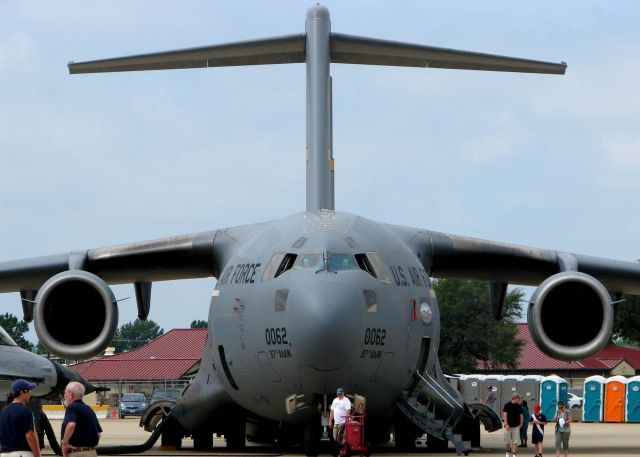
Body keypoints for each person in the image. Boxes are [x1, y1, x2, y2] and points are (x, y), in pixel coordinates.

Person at [0, 379, 42, 457]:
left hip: (4, 453)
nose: (30, 393)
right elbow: (29, 435)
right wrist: (37, 455)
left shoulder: (3, 411)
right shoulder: (26, 411)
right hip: (22, 453)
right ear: (22, 392)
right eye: (29, 390)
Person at [60, 381, 102, 457]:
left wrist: (65, 443)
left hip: (76, 453)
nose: (64, 395)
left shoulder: (71, 408)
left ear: (70, 394)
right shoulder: (89, 409)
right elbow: (98, 434)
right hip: (91, 452)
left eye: (65, 393)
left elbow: (71, 425)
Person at [502, 392, 523, 457]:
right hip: (508, 426)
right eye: (519, 398)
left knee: (515, 441)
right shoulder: (507, 405)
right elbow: (504, 415)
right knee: (507, 440)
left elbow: (521, 416)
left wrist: (521, 424)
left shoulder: (519, 406)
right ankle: (508, 451)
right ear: (514, 398)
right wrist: (506, 424)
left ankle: (514, 454)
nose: (519, 400)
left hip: (516, 426)